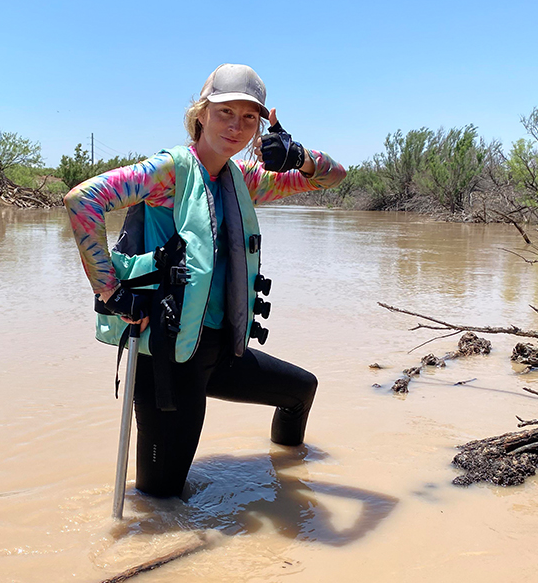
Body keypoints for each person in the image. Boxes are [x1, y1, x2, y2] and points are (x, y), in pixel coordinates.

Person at [64, 63, 346, 499]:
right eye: (225, 112)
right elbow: (83, 200)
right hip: (170, 358)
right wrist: (110, 290)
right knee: (160, 501)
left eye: (248, 117)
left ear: (259, 127)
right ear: (201, 115)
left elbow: (334, 177)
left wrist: (299, 155)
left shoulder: (244, 179)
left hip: (222, 349)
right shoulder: (169, 174)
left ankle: (287, 477)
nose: (236, 126)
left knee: (300, 390)